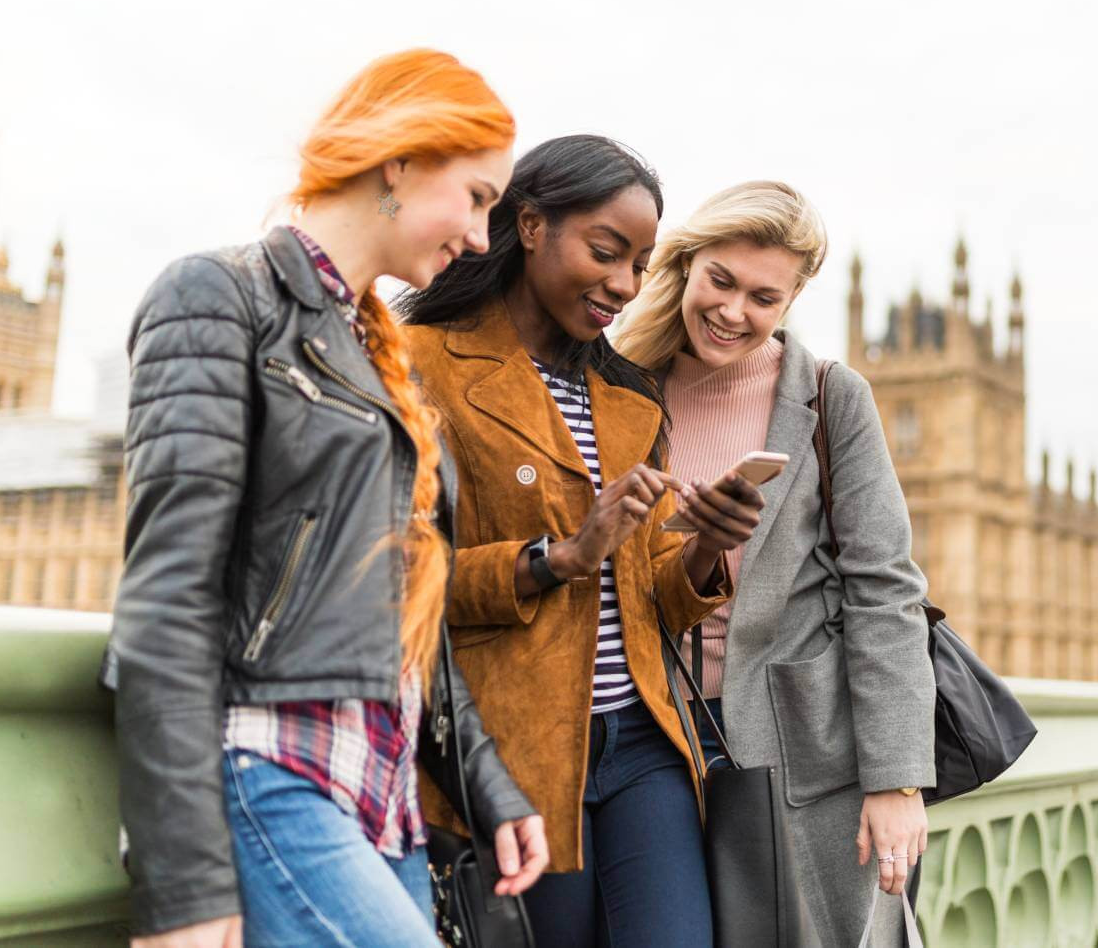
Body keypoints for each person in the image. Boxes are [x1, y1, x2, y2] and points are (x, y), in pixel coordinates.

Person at [105, 49, 548, 947]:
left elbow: (397, 616)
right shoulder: (221, 298)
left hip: (380, 797)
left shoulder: (383, 358)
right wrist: (184, 883)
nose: (479, 234)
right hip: (268, 766)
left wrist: (487, 784)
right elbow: (165, 599)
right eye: (476, 197)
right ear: (401, 160)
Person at [397, 136, 765, 947]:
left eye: (639, 264)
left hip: (644, 746)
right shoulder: (423, 366)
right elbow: (399, 581)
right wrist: (556, 557)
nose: (625, 287)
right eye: (607, 253)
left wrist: (704, 548)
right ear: (528, 224)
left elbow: (653, 597)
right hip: (510, 745)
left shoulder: (630, 400)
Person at [613, 181, 938, 946]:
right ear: (685, 264)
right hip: (648, 737)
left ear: (791, 302)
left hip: (798, 746)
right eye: (719, 281)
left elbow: (884, 591)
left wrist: (894, 778)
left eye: (762, 296)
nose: (732, 311)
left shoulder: (830, 398)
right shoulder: (618, 384)